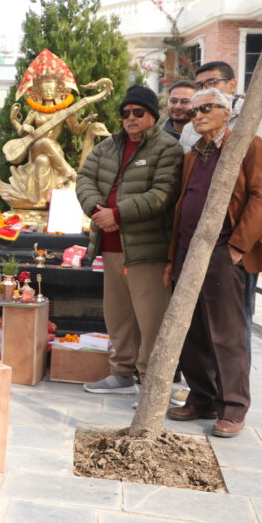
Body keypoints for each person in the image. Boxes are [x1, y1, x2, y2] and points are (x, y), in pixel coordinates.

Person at [166, 89, 262, 438]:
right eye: (193, 111)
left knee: (226, 333)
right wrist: (172, 258)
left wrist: (238, 247)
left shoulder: (246, 146)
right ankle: (202, 397)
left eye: (205, 108)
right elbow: (182, 207)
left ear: (226, 112)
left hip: (223, 251)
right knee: (191, 329)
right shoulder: (192, 155)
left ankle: (233, 407)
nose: (196, 115)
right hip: (187, 251)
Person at [75, 85, 184, 396]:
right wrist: (98, 210)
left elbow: (162, 194)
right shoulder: (108, 145)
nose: (130, 118)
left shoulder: (167, 148)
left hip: (147, 249)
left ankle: (152, 385)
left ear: (153, 116)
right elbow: (84, 178)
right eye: (125, 113)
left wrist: (118, 214)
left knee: (151, 320)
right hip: (110, 246)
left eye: (138, 112)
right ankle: (122, 374)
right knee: (118, 315)